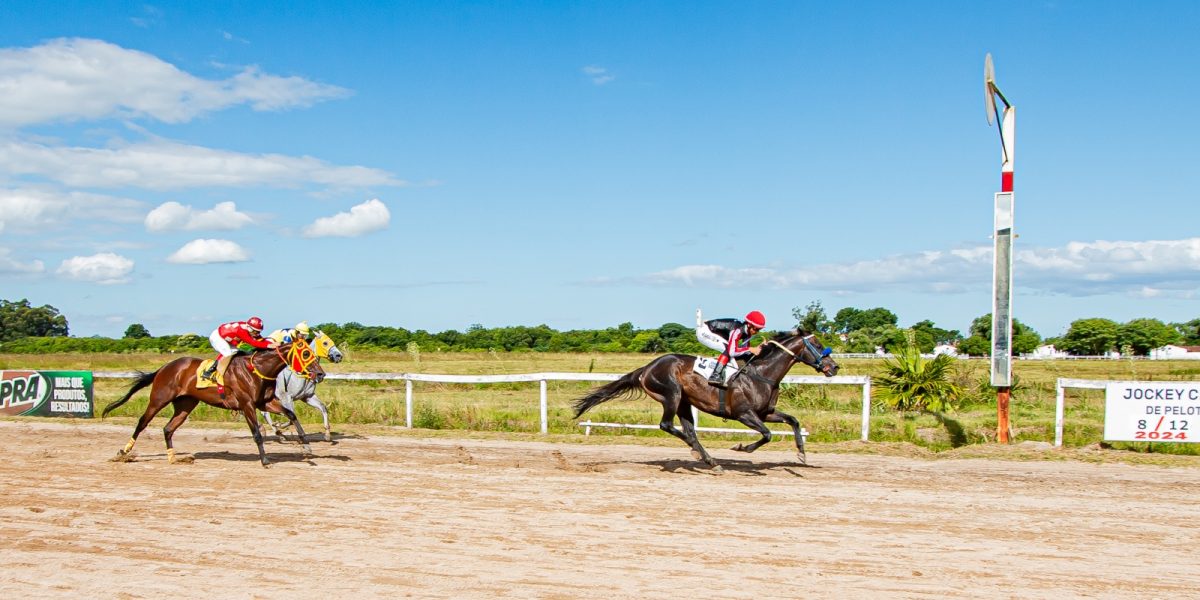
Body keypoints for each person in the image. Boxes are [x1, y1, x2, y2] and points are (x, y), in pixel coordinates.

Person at [695, 309, 767, 388]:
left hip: (716, 333)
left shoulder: (748, 333)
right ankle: (715, 375)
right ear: (749, 325)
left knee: (734, 351)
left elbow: (744, 350)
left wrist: (759, 348)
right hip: (705, 332)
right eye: (756, 329)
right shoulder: (738, 330)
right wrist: (750, 349)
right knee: (728, 349)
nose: (756, 332)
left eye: (759, 330)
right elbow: (732, 352)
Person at [201, 316, 277, 381]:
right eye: (256, 332)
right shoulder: (241, 331)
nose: (258, 334)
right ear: (250, 329)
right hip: (218, 337)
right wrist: (268, 346)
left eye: (259, 332)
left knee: (236, 352)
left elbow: (260, 339)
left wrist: (273, 344)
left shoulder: (248, 328)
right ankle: (209, 372)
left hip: (225, 337)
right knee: (228, 353)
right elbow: (253, 343)